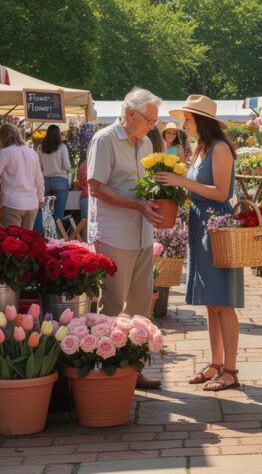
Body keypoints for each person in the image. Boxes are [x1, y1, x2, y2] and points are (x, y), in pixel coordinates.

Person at [155, 95, 243, 392]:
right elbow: (195, 189)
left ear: (201, 121)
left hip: (216, 225)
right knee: (211, 302)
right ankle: (216, 364)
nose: (184, 125)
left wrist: (183, 184)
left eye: (188, 120)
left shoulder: (219, 149)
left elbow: (221, 193)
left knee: (224, 301)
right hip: (199, 224)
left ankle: (230, 370)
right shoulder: (199, 148)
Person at [86, 87, 164, 390]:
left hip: (143, 234)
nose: (152, 126)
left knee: (141, 307)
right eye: (149, 119)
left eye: (155, 121)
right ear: (130, 114)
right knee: (112, 305)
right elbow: (96, 187)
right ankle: (107, 372)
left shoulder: (144, 143)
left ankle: (134, 369)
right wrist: (137, 205)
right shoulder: (104, 140)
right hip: (114, 235)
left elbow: (143, 187)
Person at [0, 124, 44, 229]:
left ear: (2, 137)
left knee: (11, 241)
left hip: (12, 203)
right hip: (31, 204)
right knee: (26, 241)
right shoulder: (32, 153)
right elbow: (39, 180)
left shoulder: (4, 153)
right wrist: (40, 198)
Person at [34, 125, 72, 234]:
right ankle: (57, 238)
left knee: (45, 212)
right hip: (60, 180)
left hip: (45, 181)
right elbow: (67, 166)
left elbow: (39, 167)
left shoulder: (41, 147)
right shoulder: (62, 147)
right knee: (59, 214)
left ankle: (45, 236)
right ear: (58, 134)